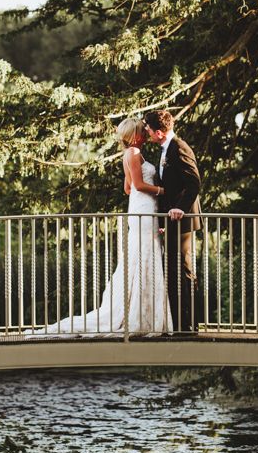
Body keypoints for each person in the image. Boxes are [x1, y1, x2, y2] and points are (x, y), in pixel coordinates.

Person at [25, 117, 172, 336]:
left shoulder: (131, 154)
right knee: (144, 256)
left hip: (141, 205)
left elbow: (127, 188)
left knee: (143, 256)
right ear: (135, 135)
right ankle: (141, 315)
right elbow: (139, 186)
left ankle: (144, 311)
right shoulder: (133, 153)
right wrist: (162, 191)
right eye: (142, 131)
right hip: (144, 208)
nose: (145, 133)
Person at [143, 110, 201, 333]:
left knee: (184, 271)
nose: (146, 132)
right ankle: (179, 323)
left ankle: (189, 325)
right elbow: (171, 188)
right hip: (171, 220)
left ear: (158, 132)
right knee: (174, 270)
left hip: (183, 220)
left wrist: (180, 208)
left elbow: (193, 183)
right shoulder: (166, 149)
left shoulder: (179, 147)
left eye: (148, 128)